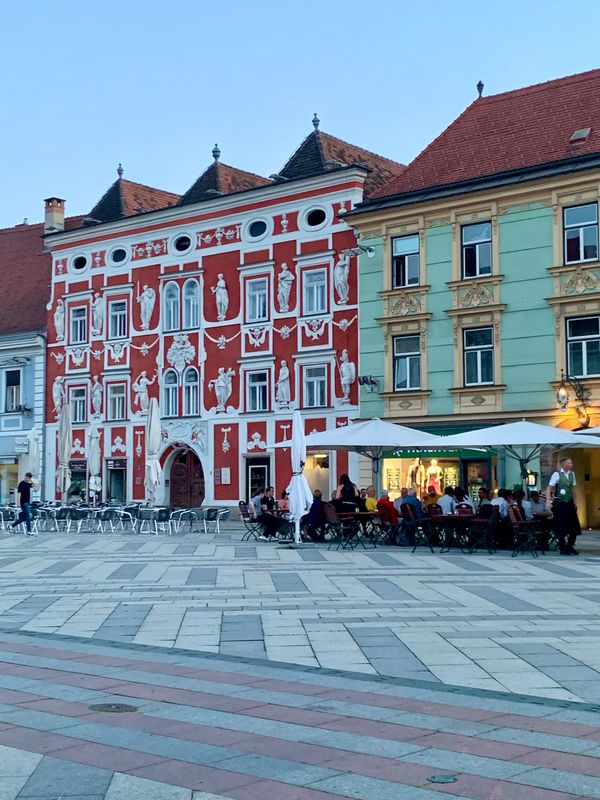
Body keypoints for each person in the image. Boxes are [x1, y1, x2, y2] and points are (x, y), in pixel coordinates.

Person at [546, 457, 581, 556]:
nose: (570, 465)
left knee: (574, 526)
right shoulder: (557, 474)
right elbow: (549, 488)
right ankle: (562, 547)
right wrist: (548, 501)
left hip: (569, 503)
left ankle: (570, 546)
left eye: (571, 463)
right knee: (561, 526)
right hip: (560, 503)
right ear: (563, 464)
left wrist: (575, 502)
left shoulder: (572, 474)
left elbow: (573, 489)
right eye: (569, 463)